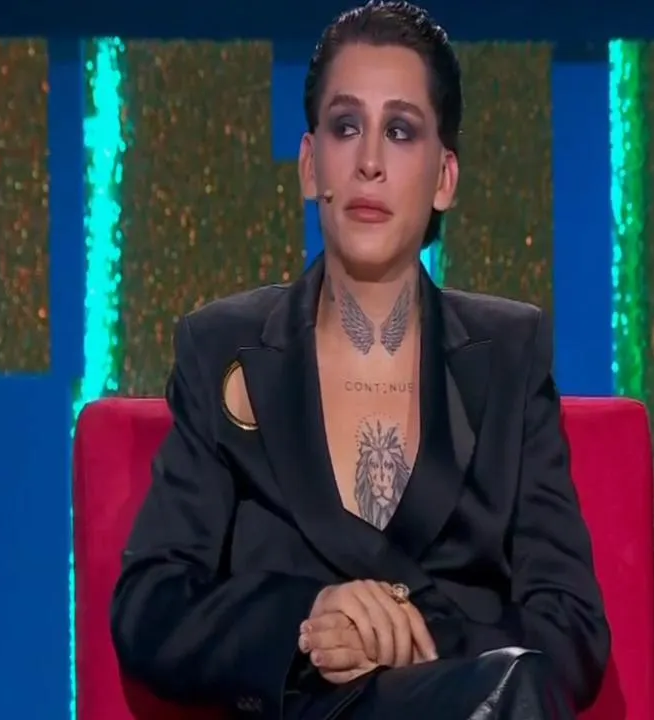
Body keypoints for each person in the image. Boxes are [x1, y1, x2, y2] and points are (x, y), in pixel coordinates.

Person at [110, 2, 610, 718]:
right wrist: (310, 619)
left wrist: (414, 639)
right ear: (310, 165)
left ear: (444, 178)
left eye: (400, 131)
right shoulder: (224, 349)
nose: (370, 161)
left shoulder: (509, 357)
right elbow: (151, 606)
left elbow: (572, 631)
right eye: (346, 127)